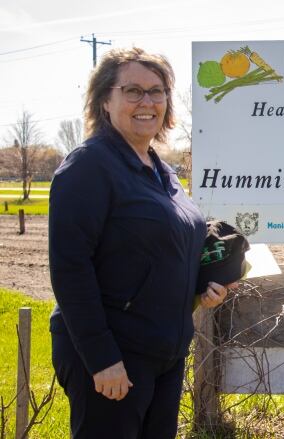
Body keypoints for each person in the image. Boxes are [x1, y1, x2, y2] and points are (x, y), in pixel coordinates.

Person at [49, 47, 237, 438]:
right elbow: (70, 268)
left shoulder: (162, 171)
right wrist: (102, 360)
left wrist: (203, 285)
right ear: (105, 99)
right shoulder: (88, 167)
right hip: (114, 355)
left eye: (157, 91)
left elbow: (168, 247)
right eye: (133, 91)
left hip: (164, 353)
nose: (147, 102)